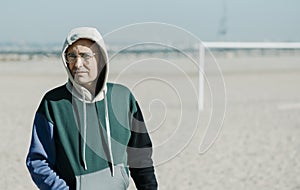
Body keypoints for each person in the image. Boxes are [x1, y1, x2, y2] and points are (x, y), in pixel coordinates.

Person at [26, 27, 158, 190]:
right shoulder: (53, 103)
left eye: (85, 55)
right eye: (71, 56)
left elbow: (140, 156)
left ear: (101, 59)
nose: (78, 63)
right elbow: (38, 161)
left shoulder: (123, 97)